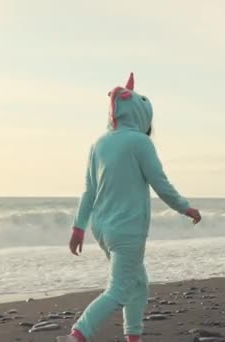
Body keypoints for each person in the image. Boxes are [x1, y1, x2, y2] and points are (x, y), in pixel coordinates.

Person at [57, 73, 202, 342]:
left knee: (138, 284)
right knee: (119, 290)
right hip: (127, 230)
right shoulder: (140, 142)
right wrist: (185, 208)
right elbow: (160, 183)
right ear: (140, 114)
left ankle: (133, 337)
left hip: (102, 228)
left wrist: (79, 228)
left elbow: (89, 190)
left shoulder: (98, 143)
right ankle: (78, 334)